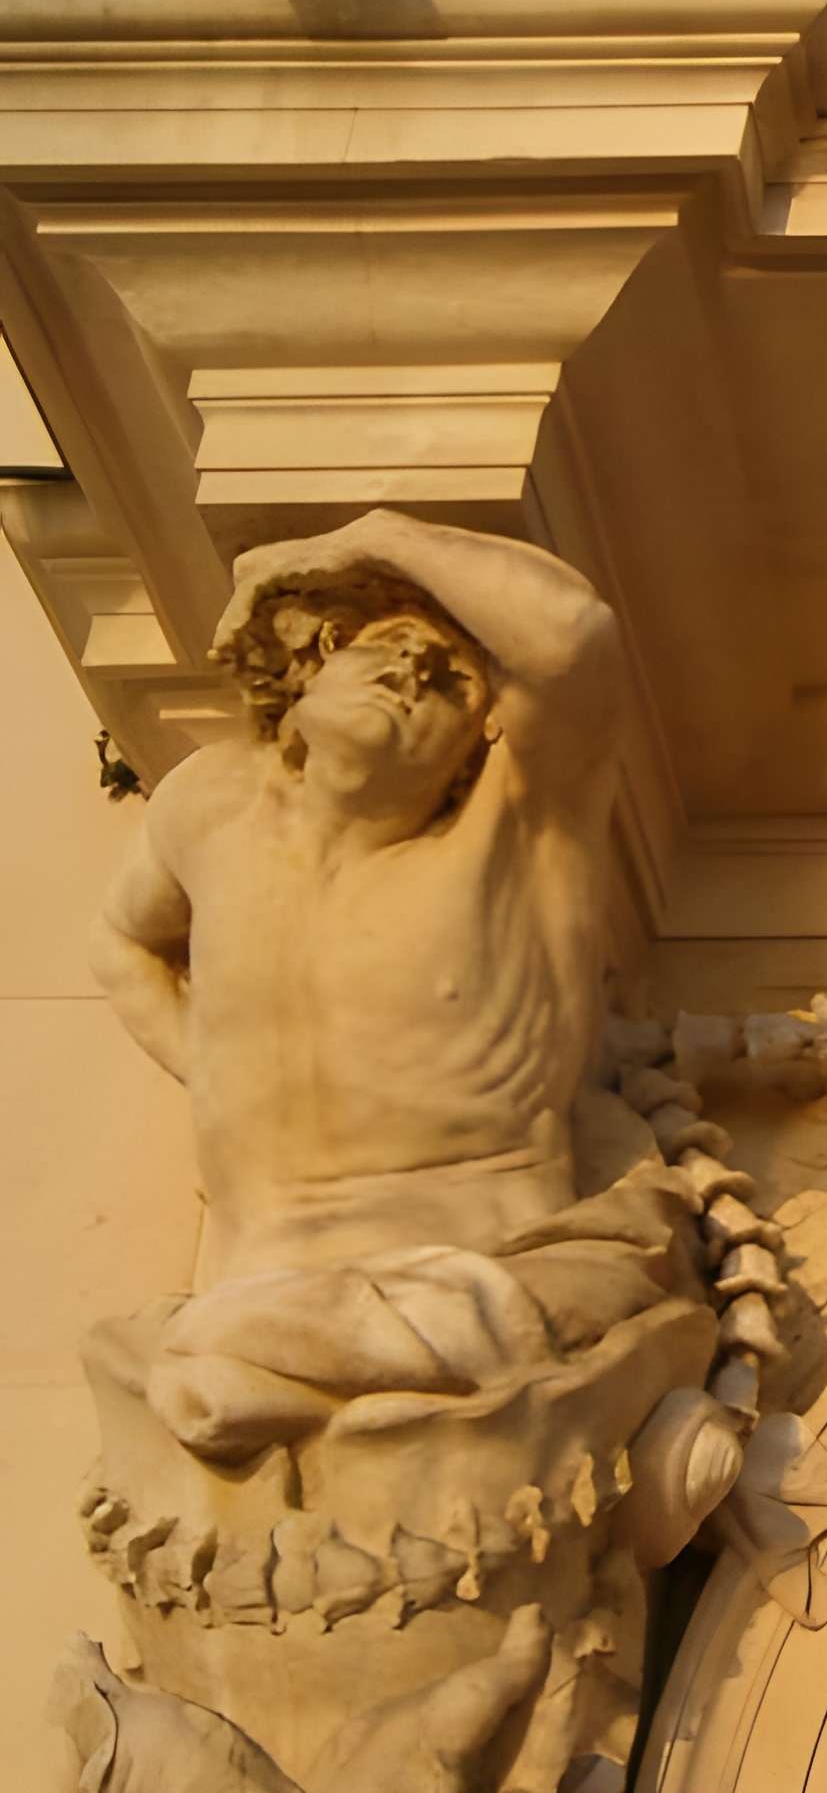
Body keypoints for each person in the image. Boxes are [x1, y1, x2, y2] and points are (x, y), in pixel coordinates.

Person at [93, 511, 626, 1290]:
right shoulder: (207, 810)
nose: (411, 674)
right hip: (256, 1286)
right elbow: (121, 943)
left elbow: (573, 639)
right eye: (386, 646)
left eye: (450, 681)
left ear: (480, 741)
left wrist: (369, 539)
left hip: (477, 1287)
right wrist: (209, 1071)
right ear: (308, 668)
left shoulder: (515, 831)